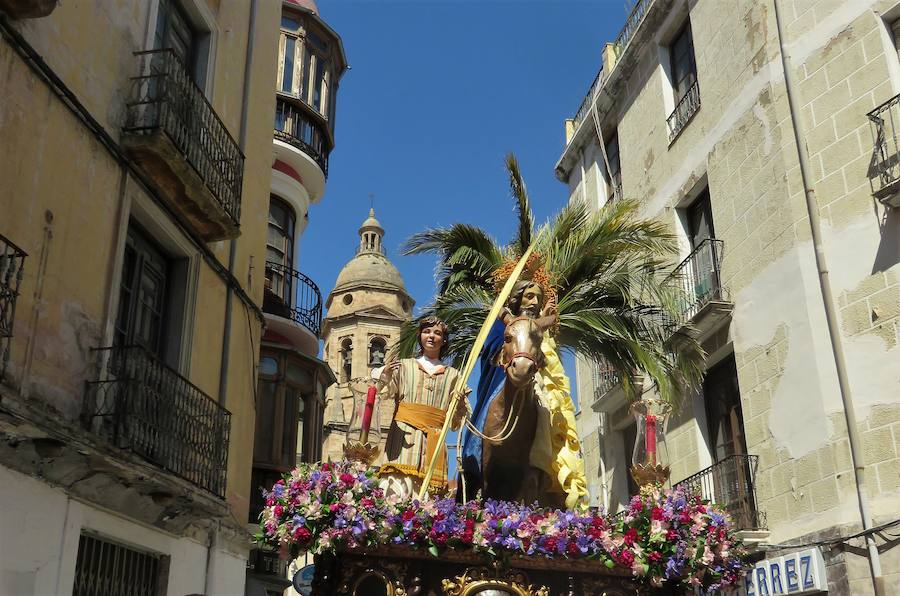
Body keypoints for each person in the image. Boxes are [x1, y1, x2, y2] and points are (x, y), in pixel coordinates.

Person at [373, 316, 468, 498]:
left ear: (444, 340)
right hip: (403, 442)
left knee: (429, 500)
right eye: (426, 332)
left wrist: (460, 402)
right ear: (420, 336)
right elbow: (383, 392)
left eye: (437, 333)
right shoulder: (404, 366)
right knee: (398, 492)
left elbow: (456, 422)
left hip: (435, 442)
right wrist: (385, 375)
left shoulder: (454, 375)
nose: (431, 336)